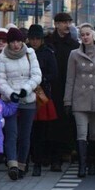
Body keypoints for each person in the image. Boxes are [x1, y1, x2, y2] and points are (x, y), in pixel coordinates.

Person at [0, 26, 42, 180]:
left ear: (23, 41)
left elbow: (36, 75)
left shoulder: (30, 53)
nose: (16, 45)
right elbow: (0, 79)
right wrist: (10, 93)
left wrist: (25, 90)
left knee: (24, 135)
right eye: (12, 42)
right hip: (10, 100)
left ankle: (22, 164)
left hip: (28, 98)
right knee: (11, 133)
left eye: (18, 41)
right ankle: (13, 165)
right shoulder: (3, 56)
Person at [65, 23, 95, 178]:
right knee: (81, 134)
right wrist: (67, 101)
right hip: (79, 99)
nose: (85, 37)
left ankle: (92, 163)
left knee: (94, 134)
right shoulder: (74, 54)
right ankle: (82, 166)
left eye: (88, 34)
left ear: (93, 35)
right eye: (82, 35)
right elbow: (70, 79)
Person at [47, 12, 79, 170]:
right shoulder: (49, 43)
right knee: (52, 123)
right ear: (56, 24)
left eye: (69, 22)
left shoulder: (74, 44)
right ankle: (53, 156)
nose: (67, 25)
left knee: (67, 121)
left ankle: (66, 151)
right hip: (52, 88)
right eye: (64, 22)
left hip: (68, 87)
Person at [27, 24, 58, 177]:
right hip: (26, 94)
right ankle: (26, 161)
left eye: (37, 39)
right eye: (32, 38)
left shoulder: (47, 53)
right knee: (27, 131)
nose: (34, 41)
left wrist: (42, 79)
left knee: (41, 131)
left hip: (41, 95)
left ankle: (38, 162)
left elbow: (54, 73)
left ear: (41, 40)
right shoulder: (24, 53)